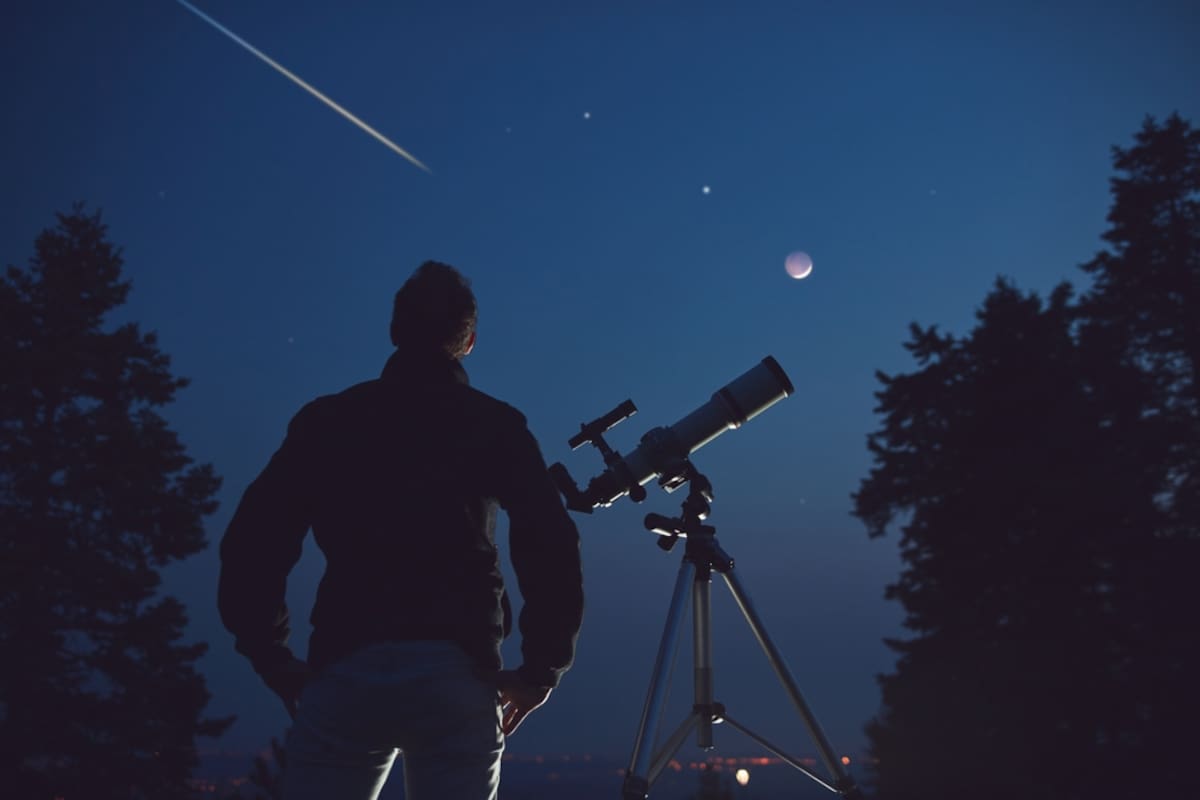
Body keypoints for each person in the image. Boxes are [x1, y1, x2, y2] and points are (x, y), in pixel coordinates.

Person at [217, 261, 585, 800]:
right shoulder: (494, 424)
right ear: (470, 340)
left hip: (345, 668)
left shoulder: (328, 421)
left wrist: (273, 658)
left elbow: (255, 542)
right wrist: (540, 669)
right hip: (458, 675)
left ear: (395, 332)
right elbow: (548, 542)